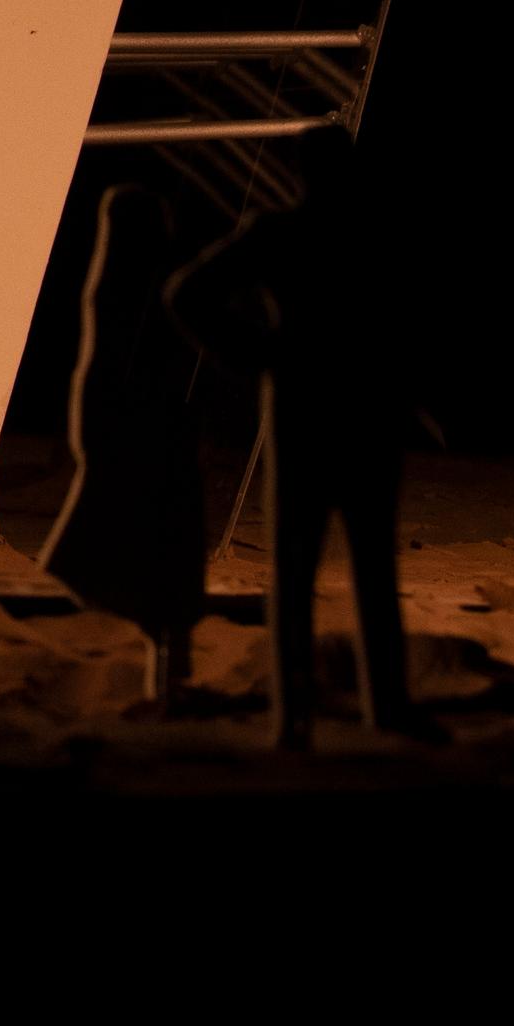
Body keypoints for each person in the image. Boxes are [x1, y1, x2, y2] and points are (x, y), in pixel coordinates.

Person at [166, 134, 443, 749]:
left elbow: (189, 294)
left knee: (300, 574)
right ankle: (382, 708)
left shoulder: (284, 234)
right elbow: (410, 323)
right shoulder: (369, 236)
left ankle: (299, 718)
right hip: (360, 420)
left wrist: (259, 354)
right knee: (368, 572)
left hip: (310, 418)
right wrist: (257, 352)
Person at [39, 181, 210, 710]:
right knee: (163, 551)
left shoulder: (115, 287)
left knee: (140, 548)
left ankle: (163, 671)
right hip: (144, 429)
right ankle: (165, 673)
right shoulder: (140, 292)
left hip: (127, 427)